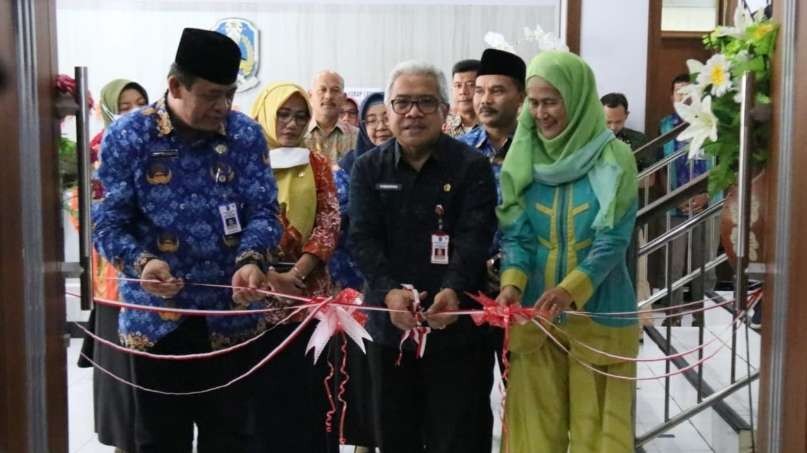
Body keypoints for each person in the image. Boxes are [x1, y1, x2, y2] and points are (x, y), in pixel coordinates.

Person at [93, 28, 281, 452]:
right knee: (160, 439)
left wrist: (252, 258)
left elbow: (264, 213)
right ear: (176, 85)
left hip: (231, 318)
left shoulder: (245, 136)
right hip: (157, 323)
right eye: (213, 95)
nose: (223, 106)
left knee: (231, 438)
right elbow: (107, 223)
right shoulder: (129, 136)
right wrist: (143, 264)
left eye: (230, 94)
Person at [349, 60, 497, 453]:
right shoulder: (367, 168)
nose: (413, 112)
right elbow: (362, 238)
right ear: (389, 111)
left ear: (445, 111)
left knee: (458, 437)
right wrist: (388, 292)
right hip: (389, 330)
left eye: (426, 102)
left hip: (456, 329)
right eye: (402, 103)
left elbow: (475, 236)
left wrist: (452, 289)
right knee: (396, 436)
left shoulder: (472, 166)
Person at [495, 51, 639, 452]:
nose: (541, 113)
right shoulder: (523, 154)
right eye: (534, 101)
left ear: (576, 100)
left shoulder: (614, 158)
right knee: (534, 434)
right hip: (536, 320)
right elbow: (518, 237)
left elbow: (613, 239)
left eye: (551, 101)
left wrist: (569, 290)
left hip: (601, 317)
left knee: (600, 437)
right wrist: (511, 284)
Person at [250, 82, 340, 452]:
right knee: (261, 394)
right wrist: (269, 274)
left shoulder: (315, 162)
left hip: (307, 293)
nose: (292, 123)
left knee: (309, 392)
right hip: (256, 291)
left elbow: (330, 221)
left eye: (301, 115)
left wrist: (297, 273)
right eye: (283, 114)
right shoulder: (246, 163)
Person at [77, 78, 148, 453]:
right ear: (108, 110)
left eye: (141, 103)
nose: (134, 112)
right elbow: (81, 215)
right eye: (124, 106)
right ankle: (123, 443)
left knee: (151, 377)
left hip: (153, 282)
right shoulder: (91, 156)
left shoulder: (157, 148)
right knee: (120, 378)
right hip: (113, 282)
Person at [659, 73, 718, 325]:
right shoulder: (665, 126)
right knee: (674, 263)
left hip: (709, 202)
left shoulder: (714, 124)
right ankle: (673, 314)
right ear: (671, 97)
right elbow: (661, 167)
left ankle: (699, 313)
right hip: (675, 205)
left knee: (704, 262)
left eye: (688, 91)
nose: (683, 96)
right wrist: (672, 198)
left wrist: (708, 194)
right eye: (678, 92)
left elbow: (724, 165)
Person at [330, 92, 392, 291]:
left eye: (386, 118)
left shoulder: (412, 165)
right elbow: (337, 227)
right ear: (363, 127)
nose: (380, 127)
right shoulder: (349, 167)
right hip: (356, 273)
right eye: (372, 121)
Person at [305, 70, 358, 162]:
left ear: (343, 98)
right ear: (310, 96)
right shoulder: (299, 136)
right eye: (322, 90)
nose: (328, 96)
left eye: (335, 90)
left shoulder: (357, 137)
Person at [442, 59, 480, 137]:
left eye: (471, 85)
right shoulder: (440, 124)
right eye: (458, 85)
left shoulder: (494, 125)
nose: (463, 91)